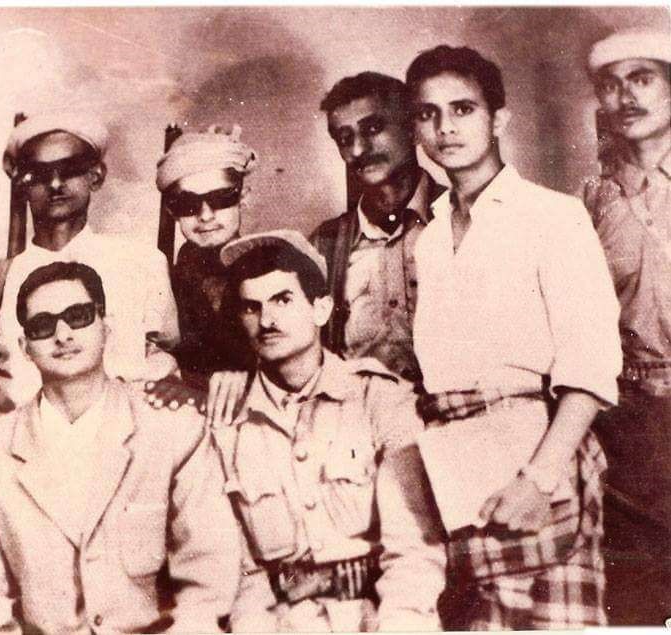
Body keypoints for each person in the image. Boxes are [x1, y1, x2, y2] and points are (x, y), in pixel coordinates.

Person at [405, 45, 622, 629]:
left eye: (463, 109)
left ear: (499, 119)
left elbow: (591, 366)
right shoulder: (429, 238)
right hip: (462, 473)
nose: (445, 127)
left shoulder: (553, 215)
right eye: (428, 113)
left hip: (539, 463)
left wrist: (538, 480)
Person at [0, 261, 241, 633]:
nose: (62, 334)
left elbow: (209, 586)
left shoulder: (175, 433)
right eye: (43, 325)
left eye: (78, 316)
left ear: (106, 327)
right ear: (25, 347)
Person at [211, 230, 445, 632]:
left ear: (321, 309)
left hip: (379, 615)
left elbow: (415, 551)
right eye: (251, 308)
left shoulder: (378, 399)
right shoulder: (227, 425)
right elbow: (240, 576)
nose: (266, 321)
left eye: (283, 300)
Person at [0, 111, 179, 411]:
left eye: (69, 169)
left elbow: (164, 358)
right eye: (40, 173)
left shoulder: (141, 264)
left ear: (95, 176)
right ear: (21, 183)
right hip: (25, 436)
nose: (55, 183)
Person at [582, 28, 671, 626]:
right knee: (639, 593)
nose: (627, 97)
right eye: (612, 86)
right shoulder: (590, 202)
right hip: (631, 419)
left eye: (643, 79)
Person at [311, 72, 445, 382]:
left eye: (373, 128)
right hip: (360, 407)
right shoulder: (324, 244)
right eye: (345, 138)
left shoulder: (465, 219)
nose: (358, 150)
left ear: (413, 130)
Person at [155, 124, 257, 385]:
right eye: (188, 204)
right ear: (172, 211)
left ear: (243, 197)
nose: (205, 216)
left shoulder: (271, 268)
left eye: (220, 198)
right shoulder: (166, 276)